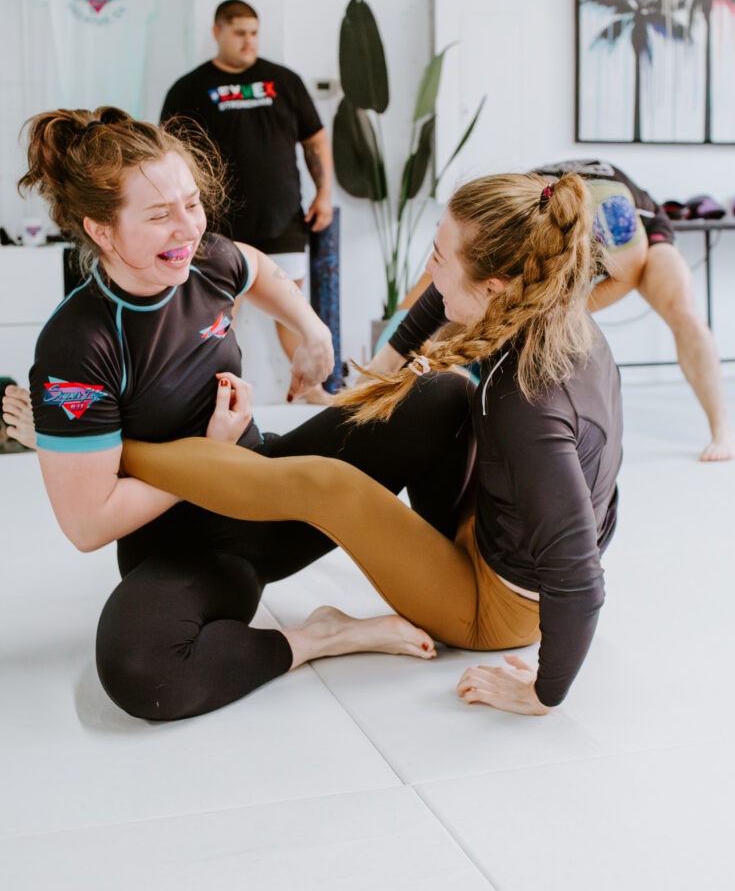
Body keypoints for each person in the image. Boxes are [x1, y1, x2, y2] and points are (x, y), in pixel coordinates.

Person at [23, 107, 478, 722]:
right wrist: (210, 453)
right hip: (190, 550)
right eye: (159, 215)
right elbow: (88, 523)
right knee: (139, 666)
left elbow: (256, 266)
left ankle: (450, 572)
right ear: (102, 230)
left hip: (276, 492)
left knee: (443, 395)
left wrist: (313, 332)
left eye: (191, 203)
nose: (186, 228)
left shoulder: (203, 260)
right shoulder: (79, 343)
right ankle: (320, 638)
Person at [120, 172, 623, 716]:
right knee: (441, 390)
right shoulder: (545, 306)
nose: (430, 269)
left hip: (495, 608)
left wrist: (544, 694)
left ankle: (122, 449)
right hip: (494, 525)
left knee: (329, 484)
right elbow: (440, 298)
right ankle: (214, 465)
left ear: (494, 285)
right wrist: (374, 379)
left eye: (439, 258)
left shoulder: (529, 403)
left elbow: (578, 576)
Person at [160, 0, 334, 403]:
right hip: (219, 223)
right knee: (220, 314)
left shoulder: (284, 81)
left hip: (283, 219)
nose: (248, 40)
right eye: (239, 32)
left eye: (254, 32)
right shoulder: (188, 88)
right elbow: (167, 155)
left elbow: (314, 140)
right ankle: (215, 398)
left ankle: (314, 392)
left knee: (293, 309)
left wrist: (324, 192)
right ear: (217, 32)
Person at [533, 160, 735, 462]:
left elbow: (627, 273)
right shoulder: (517, 207)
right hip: (573, 217)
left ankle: (723, 432)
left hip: (638, 233)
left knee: (682, 309)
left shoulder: (612, 212)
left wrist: (565, 312)